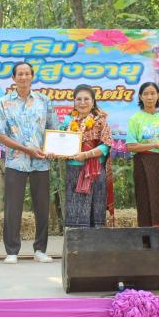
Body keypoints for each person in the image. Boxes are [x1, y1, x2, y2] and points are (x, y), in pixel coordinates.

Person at [0, 61, 60, 264]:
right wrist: (26, 149)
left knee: (42, 207)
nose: (23, 77)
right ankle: (12, 251)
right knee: (13, 207)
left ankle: (40, 250)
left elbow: (53, 129)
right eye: (19, 74)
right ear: (13, 78)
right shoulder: (4, 102)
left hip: (41, 162)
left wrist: (51, 149)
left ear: (32, 76)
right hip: (16, 162)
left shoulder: (44, 101)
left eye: (27, 73)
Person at [54, 84, 114, 228]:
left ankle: (94, 241)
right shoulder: (68, 122)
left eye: (86, 99)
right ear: (74, 101)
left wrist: (86, 154)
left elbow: (106, 145)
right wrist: (54, 149)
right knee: (75, 207)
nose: (82, 102)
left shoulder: (100, 121)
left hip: (95, 172)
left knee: (95, 207)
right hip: (73, 171)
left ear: (93, 101)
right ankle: (76, 241)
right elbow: (58, 142)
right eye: (79, 99)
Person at [125, 82, 159, 227]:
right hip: (143, 162)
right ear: (140, 97)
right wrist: (155, 145)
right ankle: (146, 236)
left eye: (152, 93)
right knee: (145, 198)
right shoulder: (135, 119)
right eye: (145, 94)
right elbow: (130, 146)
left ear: (158, 95)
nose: (149, 97)